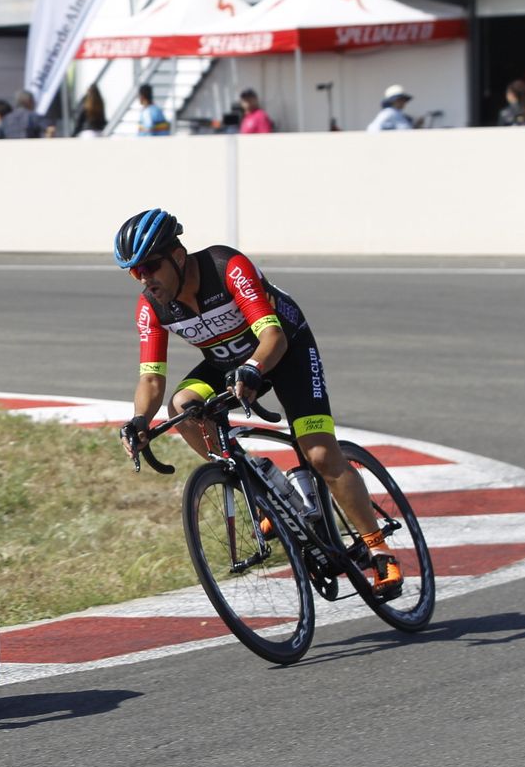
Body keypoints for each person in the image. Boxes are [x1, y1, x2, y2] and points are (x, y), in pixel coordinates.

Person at [112, 209, 403, 595]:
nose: (146, 280)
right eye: (136, 273)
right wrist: (137, 420)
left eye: (150, 266)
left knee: (318, 452)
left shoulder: (226, 267)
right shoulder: (151, 307)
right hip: (225, 360)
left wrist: (252, 368)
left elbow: (273, 338)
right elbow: (151, 377)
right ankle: (257, 478)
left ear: (178, 256)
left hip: (283, 349)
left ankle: (378, 549)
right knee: (182, 408)